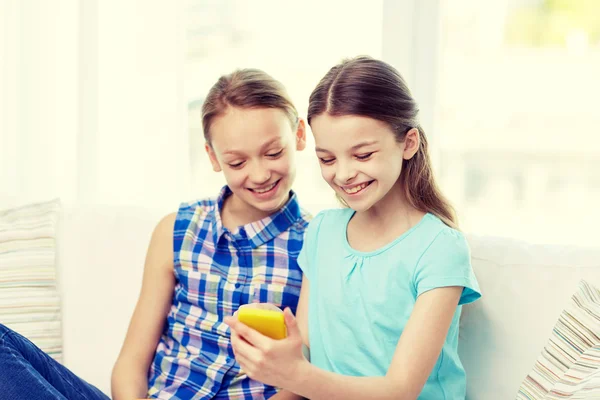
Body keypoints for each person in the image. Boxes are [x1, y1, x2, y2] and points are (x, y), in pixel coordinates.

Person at [0, 68, 310, 400]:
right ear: (213, 157)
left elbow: (302, 379)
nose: (260, 174)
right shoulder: (177, 229)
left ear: (300, 135)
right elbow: (131, 363)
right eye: (237, 162)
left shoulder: (317, 244)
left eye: (273, 153)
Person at [225, 56, 482, 400]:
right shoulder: (323, 232)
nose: (343, 174)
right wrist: (283, 355)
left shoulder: (439, 248)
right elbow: (309, 358)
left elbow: (399, 390)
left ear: (408, 143)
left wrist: (298, 374)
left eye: (362, 155)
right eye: (327, 159)